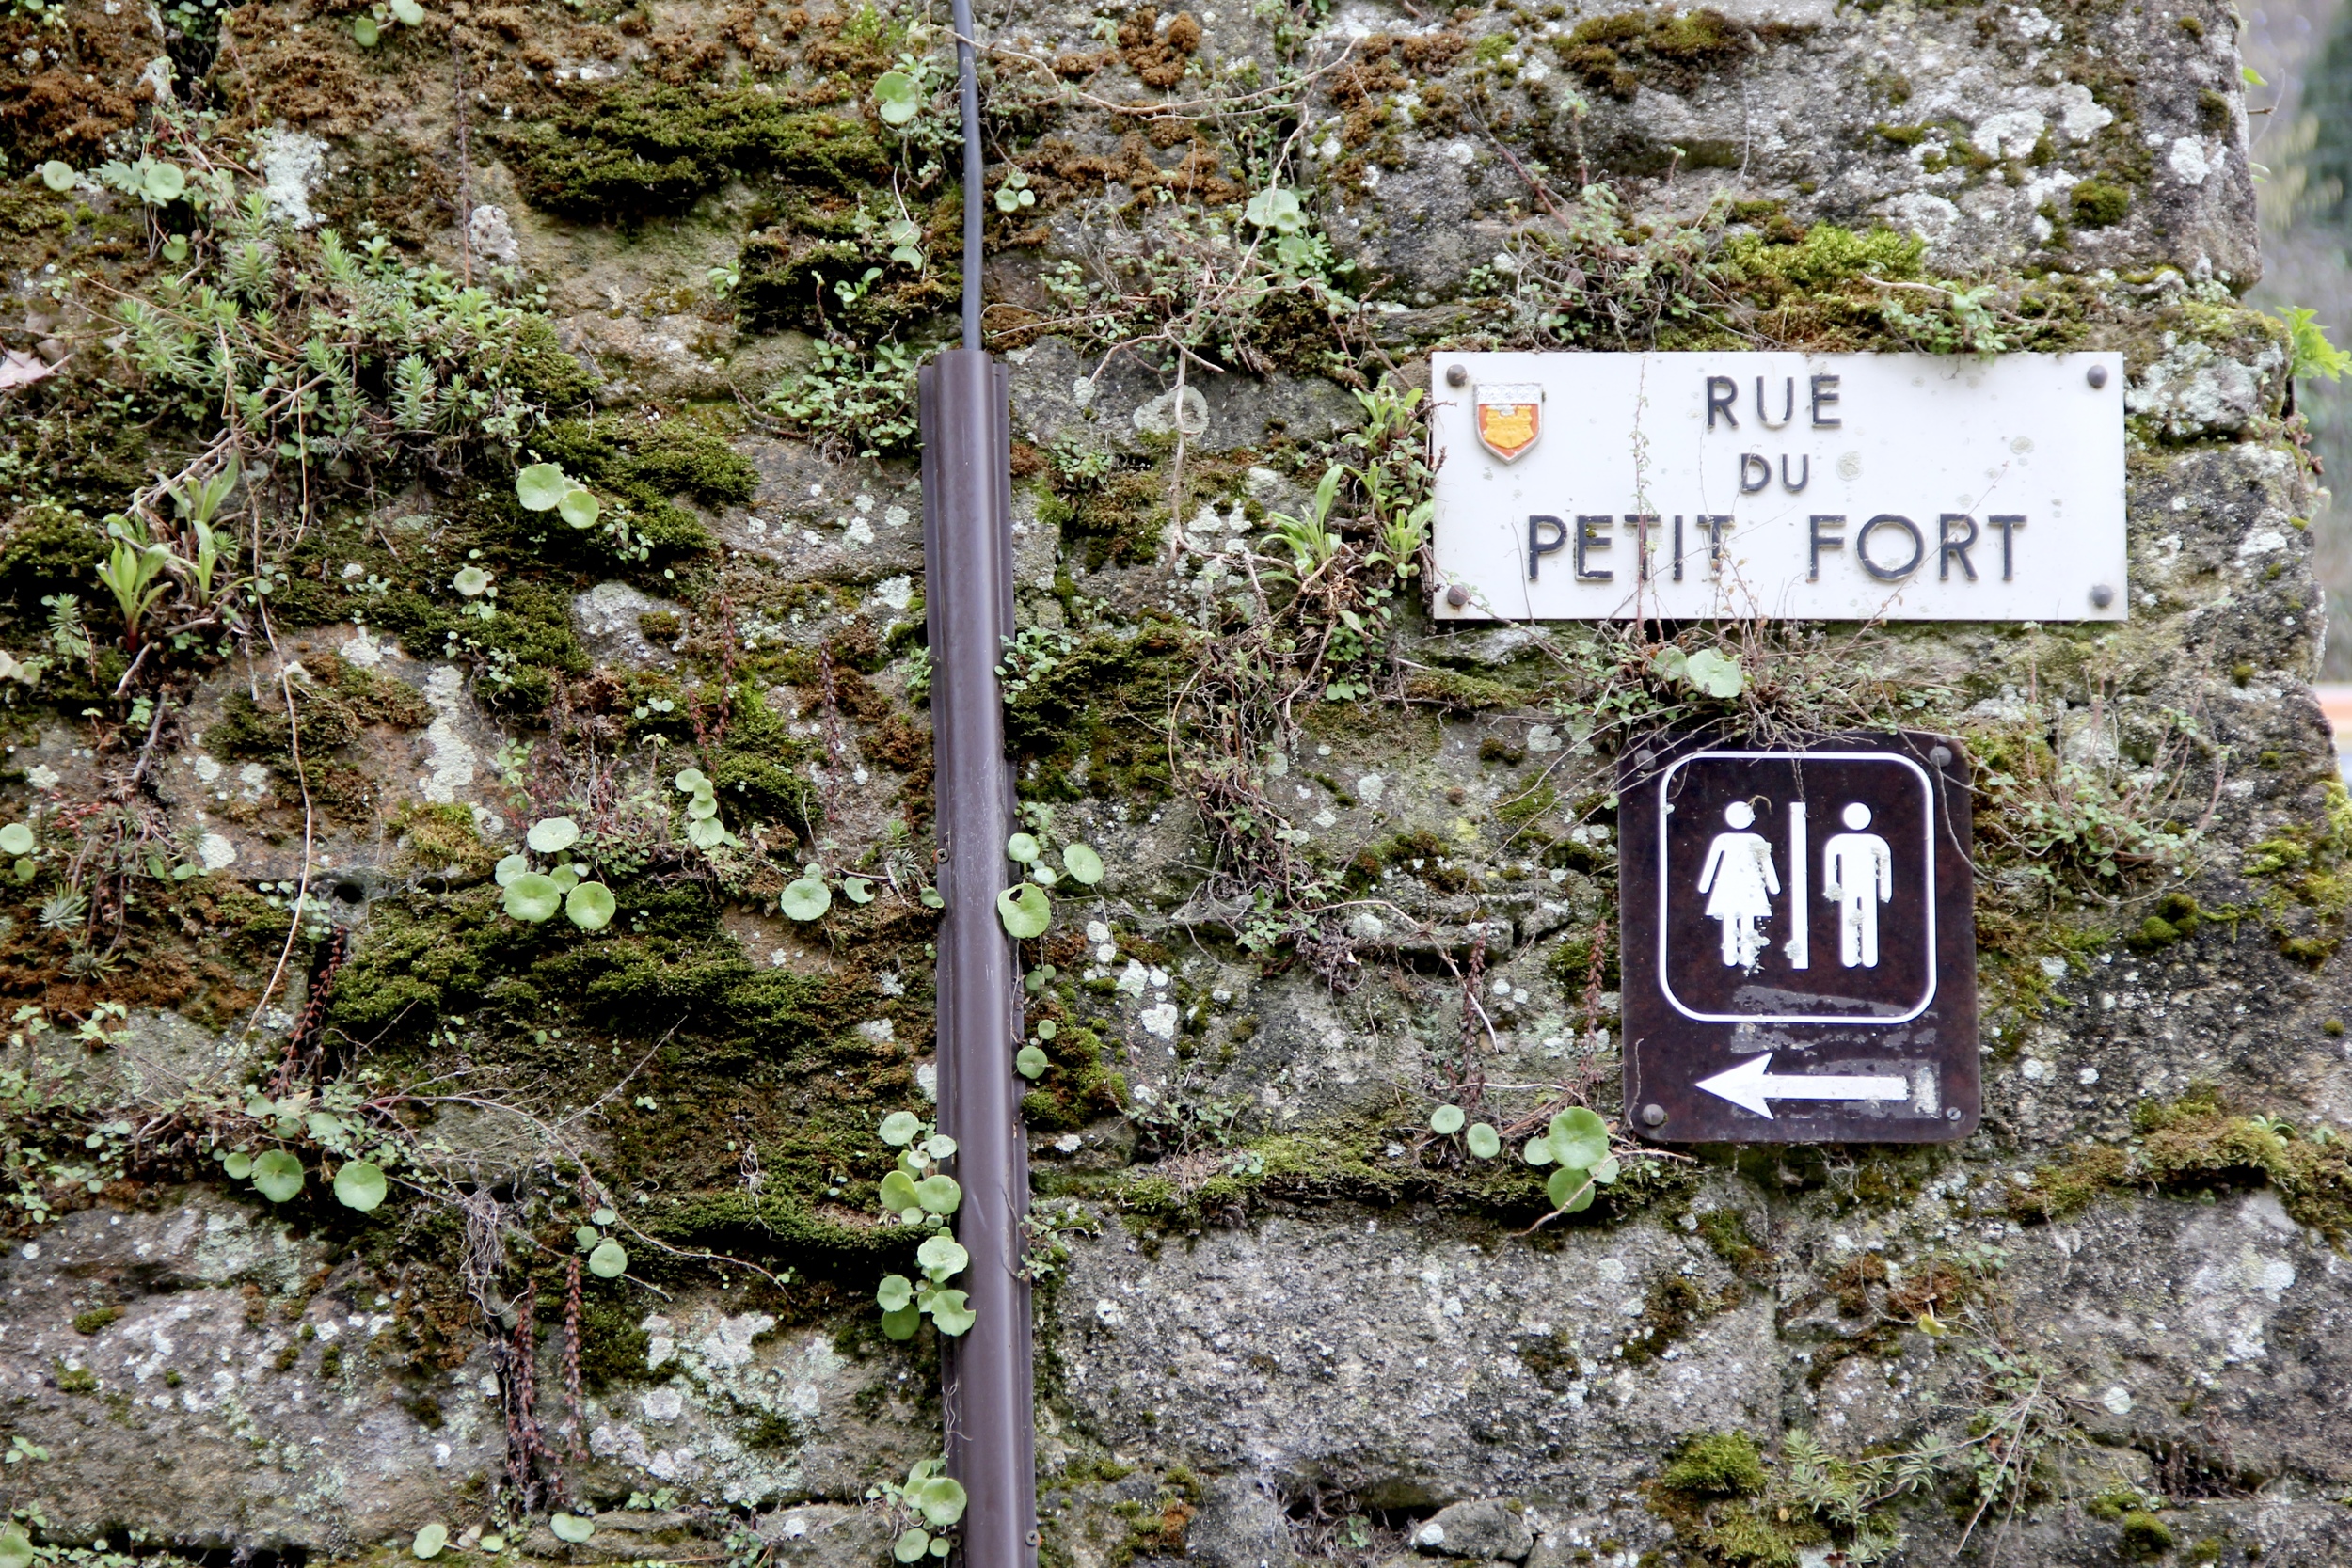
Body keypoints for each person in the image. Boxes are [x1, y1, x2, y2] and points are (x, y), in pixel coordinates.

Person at [1697, 801, 1778, 969]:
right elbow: (1711, 862)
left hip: (1748, 884)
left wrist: (1773, 884)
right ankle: (1730, 957)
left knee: (1746, 918)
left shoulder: (1755, 839)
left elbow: (1765, 861)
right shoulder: (1723, 839)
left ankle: (1747, 955)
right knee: (1730, 917)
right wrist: (1704, 885)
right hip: (1729, 884)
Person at [1822, 801, 1894, 968]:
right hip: (1848, 888)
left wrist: (1885, 891)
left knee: (1869, 918)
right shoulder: (1837, 841)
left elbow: (1885, 866)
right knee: (1848, 919)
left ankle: (1870, 958)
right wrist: (1832, 890)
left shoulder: (1877, 842)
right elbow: (1830, 866)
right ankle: (1849, 957)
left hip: (1868, 887)